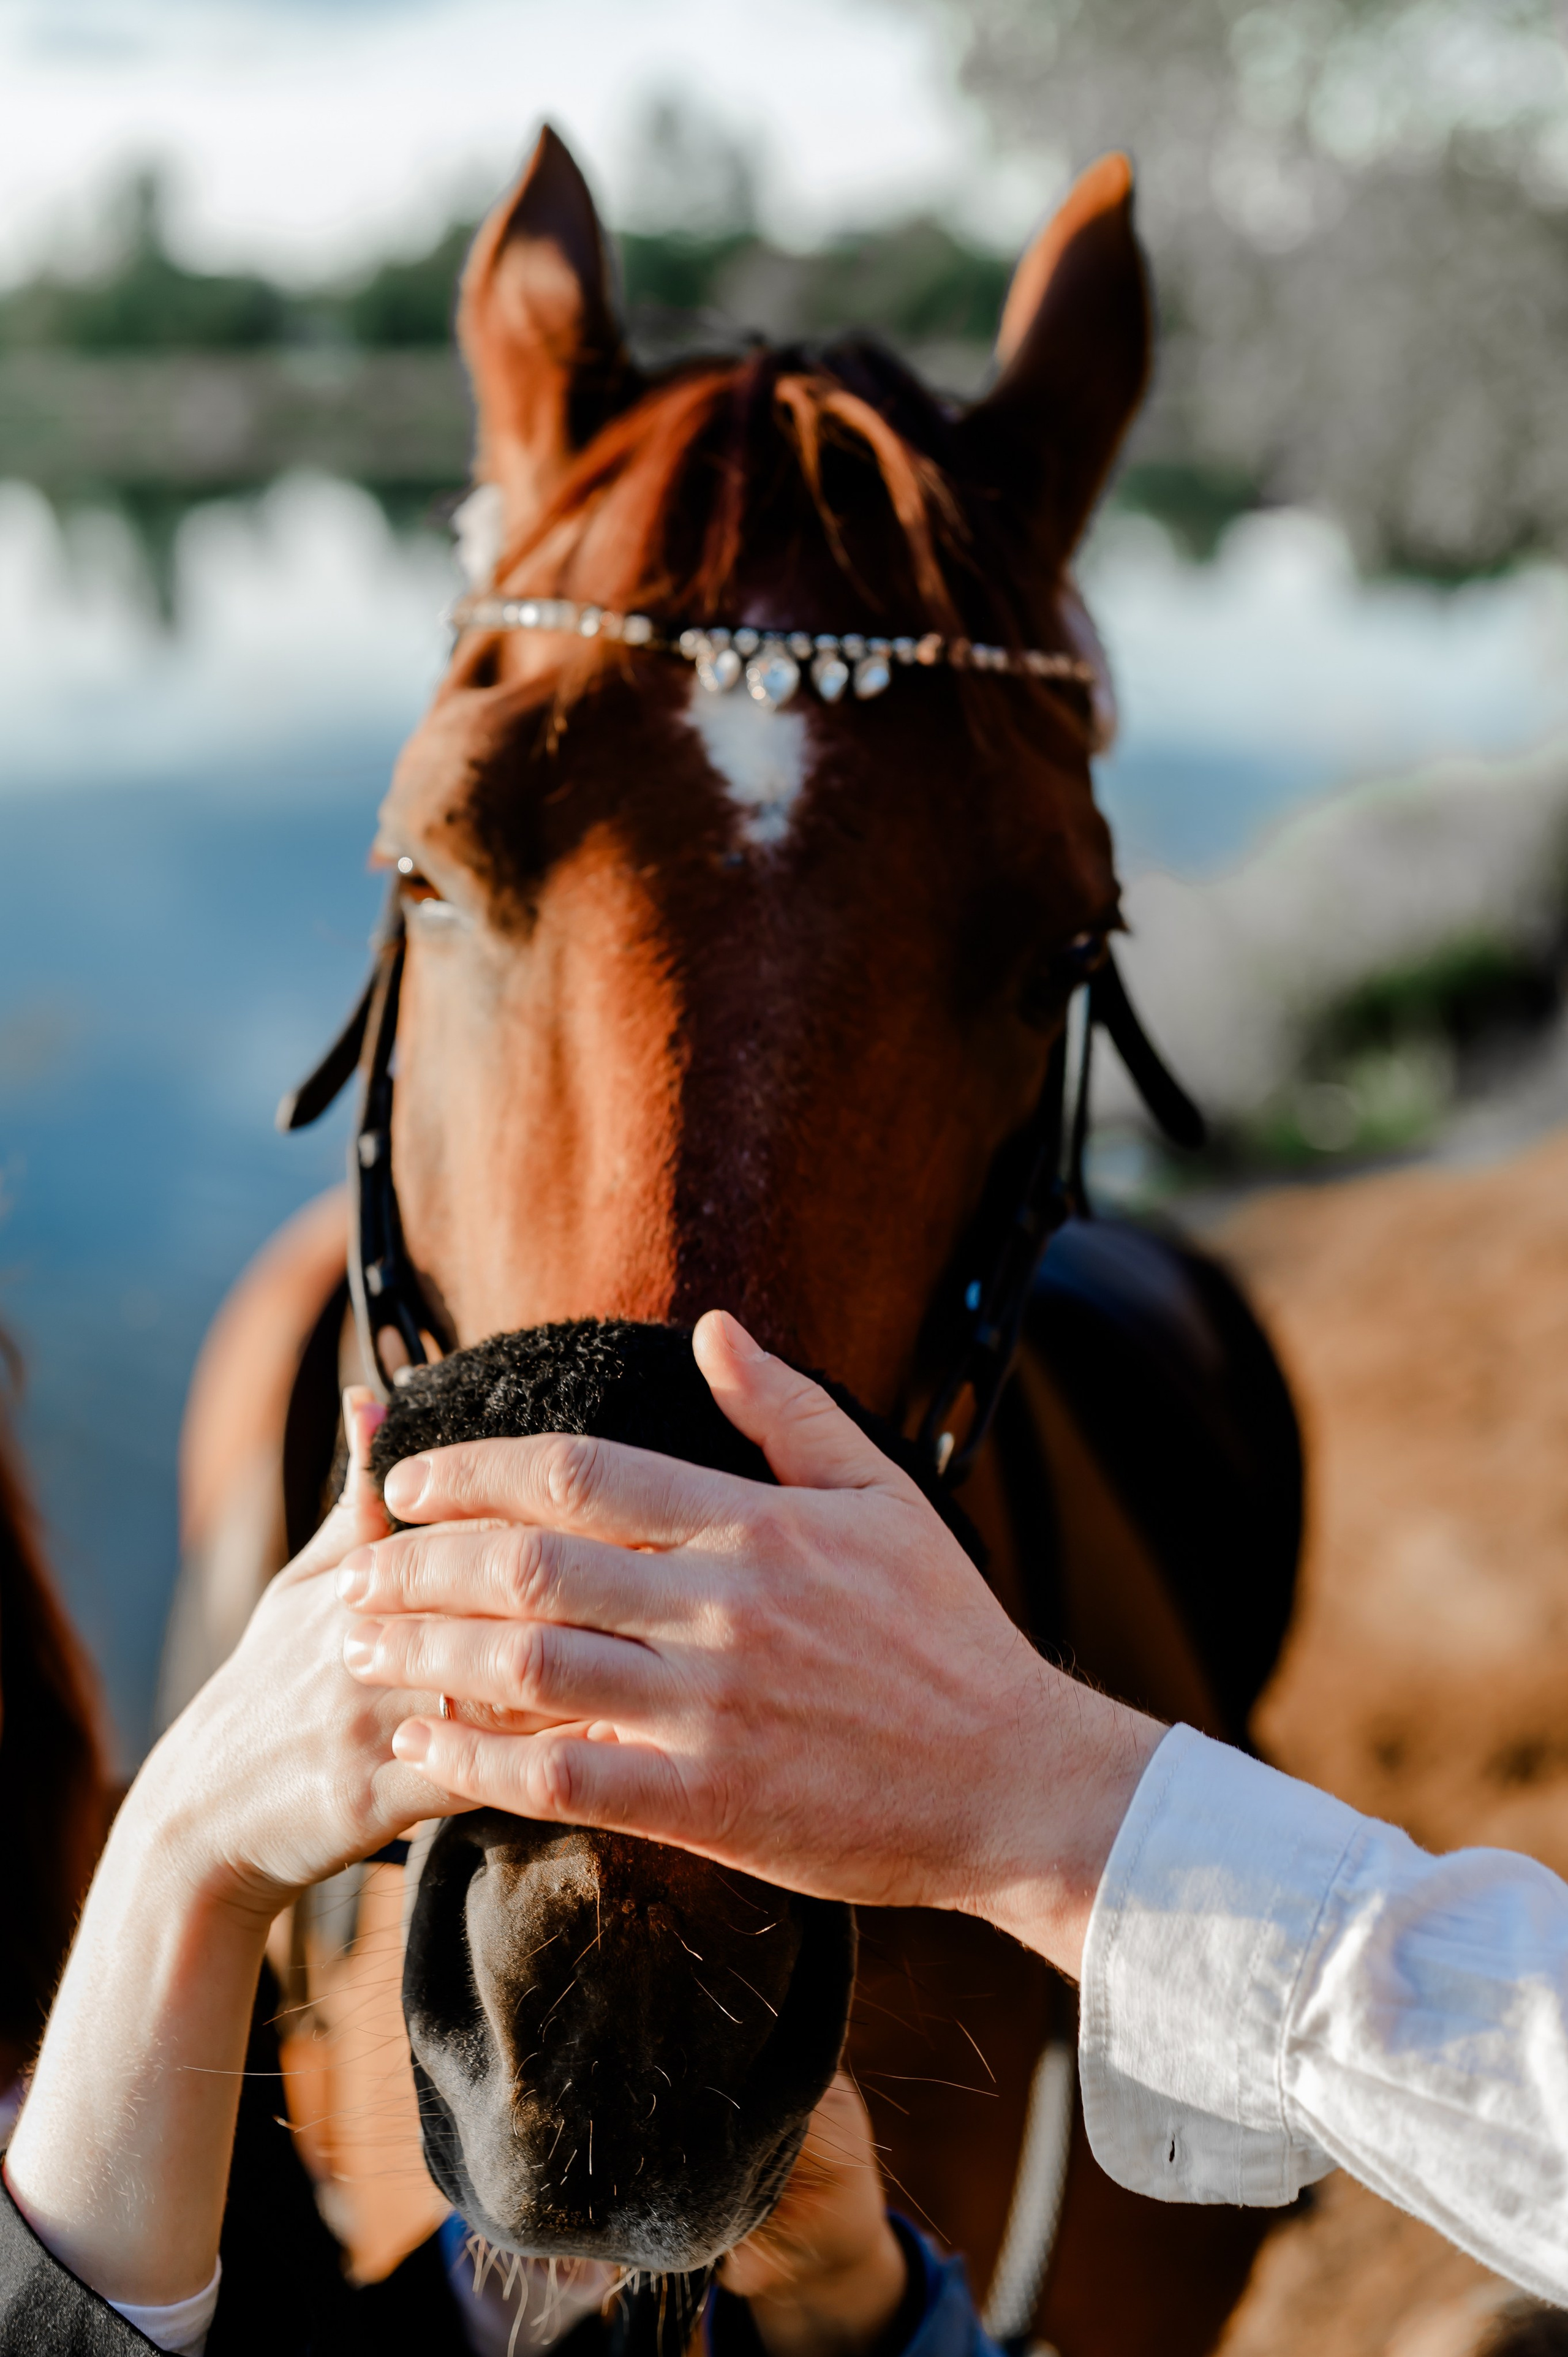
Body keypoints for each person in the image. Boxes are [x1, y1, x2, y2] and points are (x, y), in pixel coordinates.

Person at [0, 1391, 992, 2357]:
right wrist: (179, 1858)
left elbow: (289, 2328)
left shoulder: (63, 1903)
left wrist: (844, 2295)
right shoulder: (135, 1925)